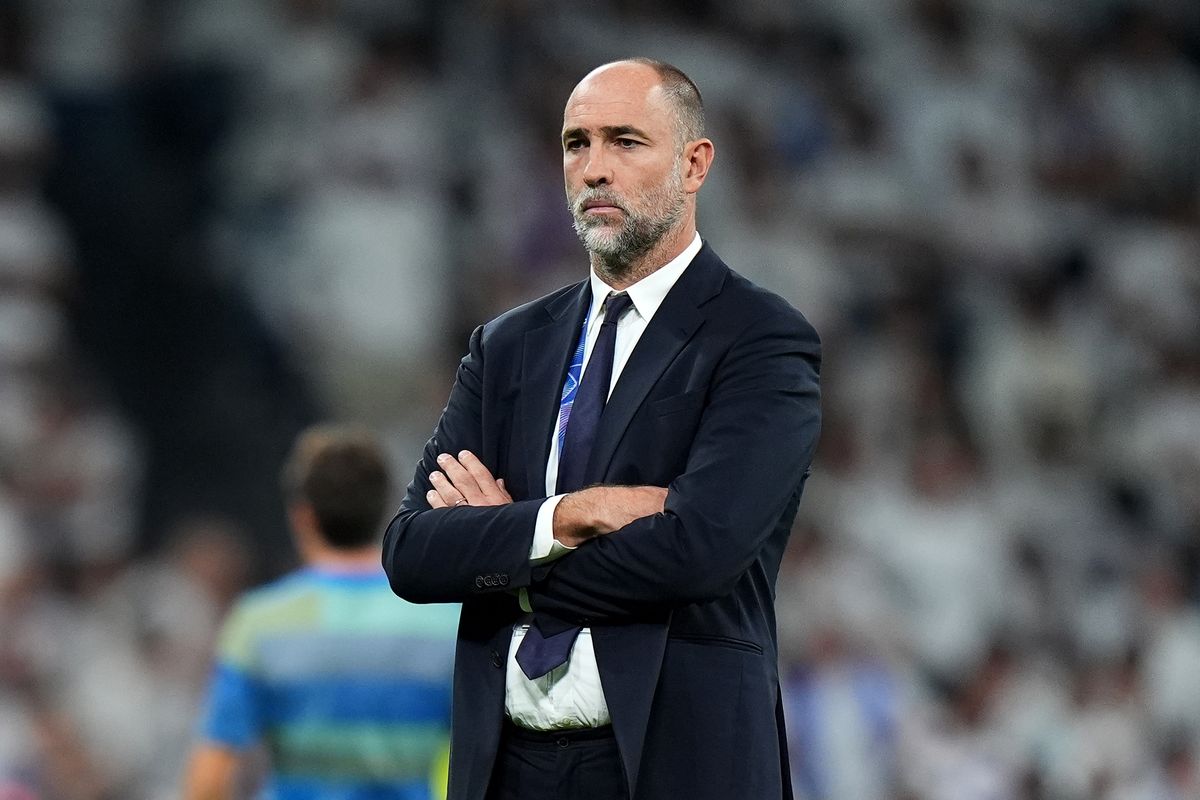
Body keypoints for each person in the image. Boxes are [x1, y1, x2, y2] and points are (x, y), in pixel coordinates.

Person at [383, 58, 821, 800]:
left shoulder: (759, 338)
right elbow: (412, 553)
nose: (592, 169)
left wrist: (509, 550)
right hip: (507, 768)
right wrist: (567, 517)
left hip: (676, 760)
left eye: (625, 142)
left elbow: (696, 552)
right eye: (575, 143)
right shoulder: (508, 345)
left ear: (694, 164)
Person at [184, 426, 459, 800]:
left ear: (302, 515)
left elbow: (210, 782)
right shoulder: (446, 622)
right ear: (384, 509)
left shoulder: (259, 623)